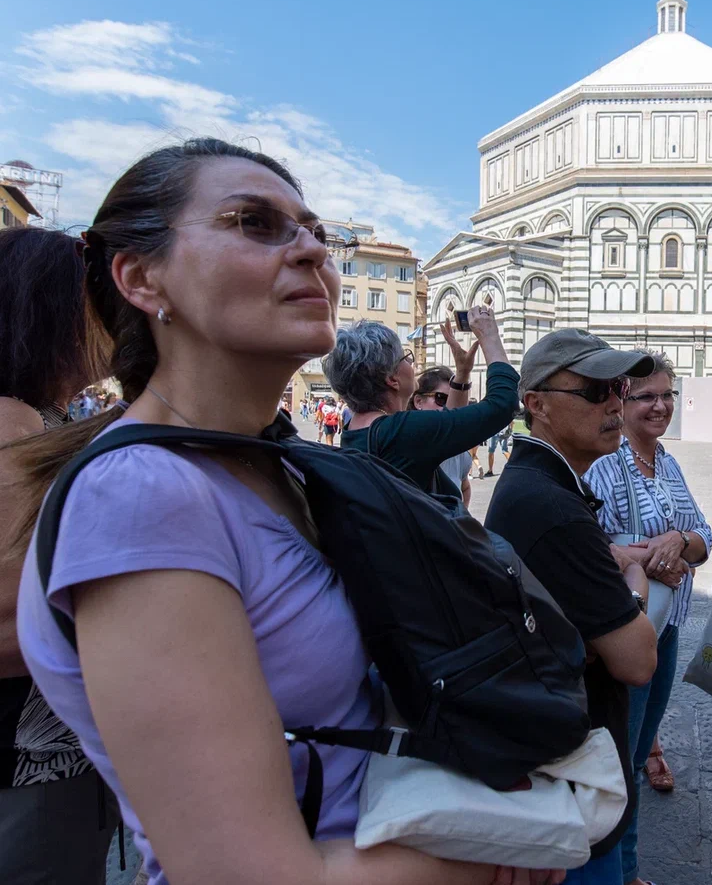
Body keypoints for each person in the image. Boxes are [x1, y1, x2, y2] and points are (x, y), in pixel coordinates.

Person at [6, 139, 560, 885]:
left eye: (315, 233)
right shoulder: (141, 493)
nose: (310, 252)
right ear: (141, 277)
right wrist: (512, 845)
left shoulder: (267, 463)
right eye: (255, 224)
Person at [485, 329, 659, 885]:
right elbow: (637, 661)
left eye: (619, 387)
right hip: (571, 789)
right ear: (535, 404)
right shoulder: (553, 507)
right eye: (594, 391)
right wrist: (633, 579)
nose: (615, 403)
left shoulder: (541, 486)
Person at [0, 227, 115, 884]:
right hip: (26, 759)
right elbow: (22, 619)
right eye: (95, 308)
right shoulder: (16, 423)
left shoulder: (36, 414)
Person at [584, 351, 712, 885]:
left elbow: (704, 536)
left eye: (667, 395)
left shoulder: (667, 461)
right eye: (646, 396)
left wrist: (679, 540)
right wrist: (649, 556)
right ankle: (619, 870)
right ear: (621, 400)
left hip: (668, 628)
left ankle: (626, 868)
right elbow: (587, 549)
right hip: (624, 631)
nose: (660, 406)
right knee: (617, 760)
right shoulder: (603, 465)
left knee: (636, 754)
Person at [328, 308, 517, 497]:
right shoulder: (401, 431)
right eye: (406, 358)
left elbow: (446, 428)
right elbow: (503, 403)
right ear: (392, 379)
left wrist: (462, 374)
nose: (412, 364)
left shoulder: (355, 428)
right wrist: (490, 336)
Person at [410, 361, 473, 507]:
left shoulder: (460, 453)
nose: (449, 406)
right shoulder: (405, 444)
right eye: (441, 398)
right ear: (418, 401)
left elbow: (465, 487)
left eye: (455, 399)